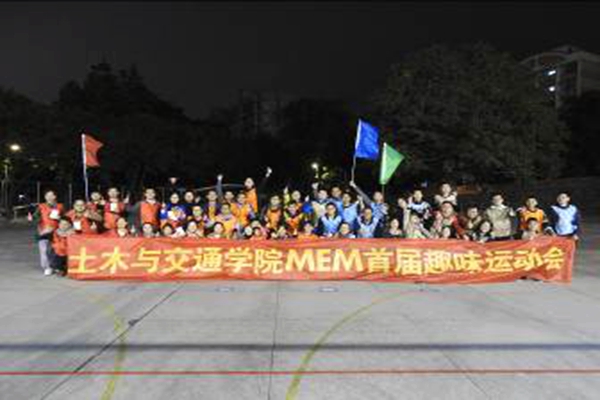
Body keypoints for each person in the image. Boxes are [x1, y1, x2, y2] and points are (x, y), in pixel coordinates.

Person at [31, 190, 65, 276]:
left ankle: (57, 266)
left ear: (55, 196)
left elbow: (65, 218)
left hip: (57, 231)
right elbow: (35, 217)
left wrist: (60, 218)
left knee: (56, 249)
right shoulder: (41, 206)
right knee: (44, 250)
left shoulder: (60, 206)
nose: (49, 197)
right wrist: (35, 219)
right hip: (44, 231)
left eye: (51, 195)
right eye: (47, 195)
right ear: (45, 197)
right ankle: (47, 267)